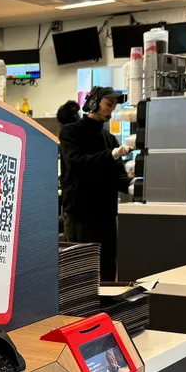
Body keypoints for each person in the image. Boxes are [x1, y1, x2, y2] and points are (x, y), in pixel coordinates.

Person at [58, 87, 132, 281]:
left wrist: (137, 181)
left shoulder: (109, 139)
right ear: (93, 103)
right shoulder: (70, 132)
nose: (111, 110)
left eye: (114, 106)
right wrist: (113, 154)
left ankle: (107, 308)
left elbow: (119, 178)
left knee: (108, 265)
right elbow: (77, 162)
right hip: (79, 211)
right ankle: (78, 311)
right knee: (79, 267)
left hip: (105, 213)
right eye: (108, 104)